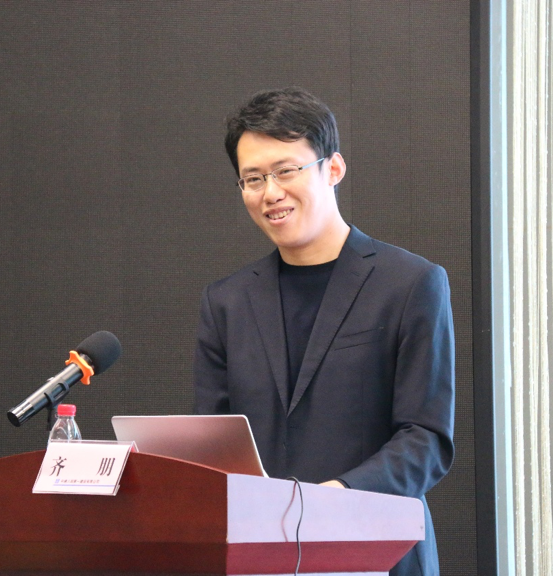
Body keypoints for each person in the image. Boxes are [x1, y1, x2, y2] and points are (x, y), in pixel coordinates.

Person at [193, 87, 455, 576]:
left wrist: (335, 497)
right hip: (261, 555)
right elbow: (212, 442)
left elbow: (426, 440)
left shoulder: (411, 283)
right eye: (253, 178)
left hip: (377, 551)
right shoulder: (226, 302)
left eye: (286, 170)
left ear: (333, 168)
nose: (270, 192)